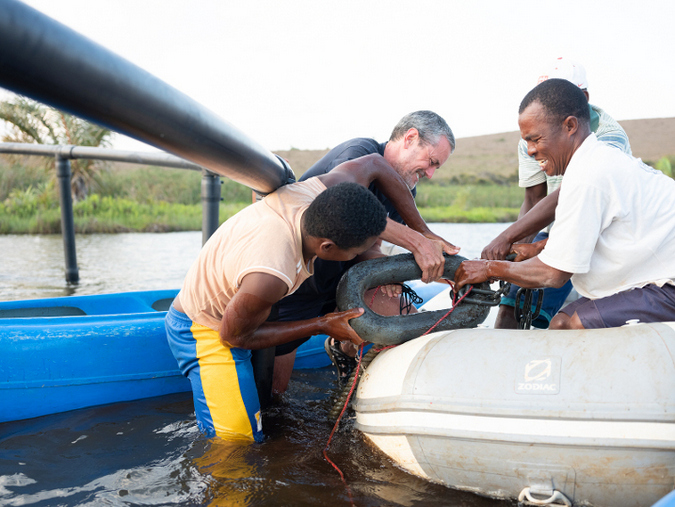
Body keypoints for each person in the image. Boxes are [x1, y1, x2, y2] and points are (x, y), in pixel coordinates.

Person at [166, 155, 445, 442]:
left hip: (239, 306)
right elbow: (233, 336)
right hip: (203, 329)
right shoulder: (272, 274)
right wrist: (322, 325)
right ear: (326, 247)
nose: (354, 259)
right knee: (239, 445)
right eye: (353, 254)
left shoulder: (316, 190)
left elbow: (374, 163)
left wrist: (422, 232)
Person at [454, 78, 675, 331]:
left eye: (535, 139)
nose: (530, 151)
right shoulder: (592, 162)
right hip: (653, 276)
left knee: (571, 325)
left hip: (668, 285)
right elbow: (604, 230)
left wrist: (489, 268)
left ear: (570, 126)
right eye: (526, 141)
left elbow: (553, 274)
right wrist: (539, 247)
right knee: (559, 322)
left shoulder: (589, 176)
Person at [273, 110, 459, 387]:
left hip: (338, 280)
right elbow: (348, 212)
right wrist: (420, 241)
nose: (430, 174)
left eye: (437, 168)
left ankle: (344, 349)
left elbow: (370, 247)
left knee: (404, 318)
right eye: (431, 162)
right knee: (276, 397)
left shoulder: (406, 190)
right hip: (293, 283)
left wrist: (386, 270)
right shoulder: (358, 153)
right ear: (410, 138)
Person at [481, 58, 632, 329]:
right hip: (553, 229)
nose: (531, 146)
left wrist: (506, 237)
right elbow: (534, 198)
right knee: (512, 306)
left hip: (602, 230)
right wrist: (509, 253)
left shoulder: (609, 139)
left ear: (582, 98)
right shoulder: (533, 137)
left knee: (573, 321)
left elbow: (570, 193)